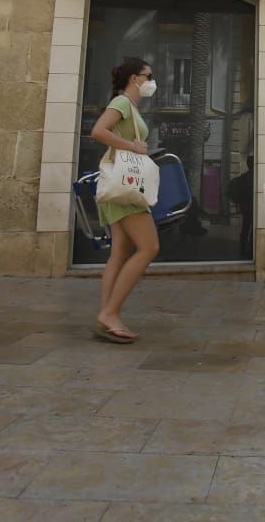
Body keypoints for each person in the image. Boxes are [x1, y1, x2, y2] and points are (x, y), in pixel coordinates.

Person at [89, 58, 161, 344]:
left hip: (122, 185)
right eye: (148, 76)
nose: (151, 81)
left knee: (119, 252)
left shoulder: (128, 106)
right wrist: (134, 146)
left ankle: (106, 316)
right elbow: (98, 131)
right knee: (149, 246)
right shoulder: (121, 104)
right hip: (126, 187)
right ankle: (110, 313)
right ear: (135, 78)